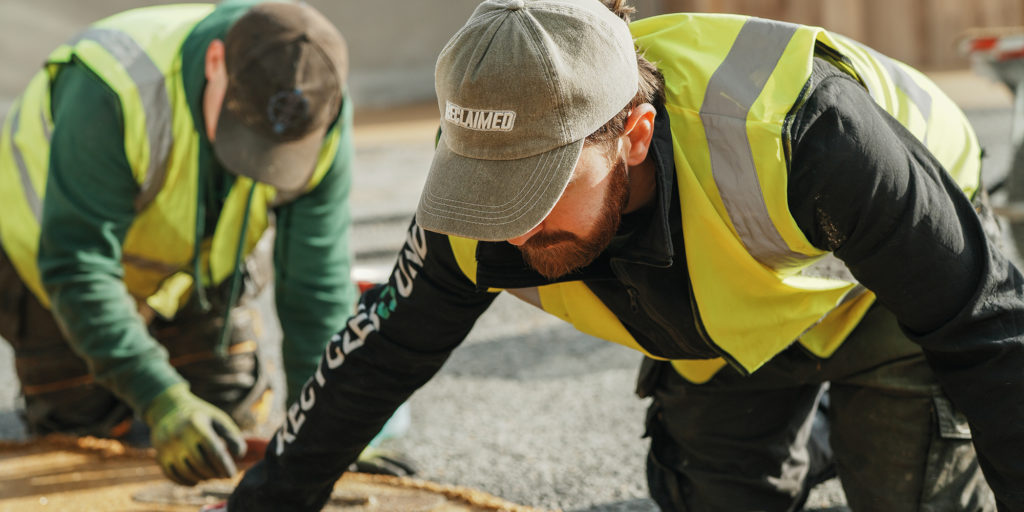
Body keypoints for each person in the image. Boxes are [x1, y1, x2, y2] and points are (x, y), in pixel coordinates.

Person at [225, 0, 1024, 510]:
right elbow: (381, 353)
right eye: (490, 191)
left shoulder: (803, 134)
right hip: (727, 320)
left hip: (879, 291)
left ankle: (850, 415)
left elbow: (989, 338)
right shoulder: (476, 188)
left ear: (633, 136)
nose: (507, 227)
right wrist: (265, 502)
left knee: (908, 493)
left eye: (541, 186)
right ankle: (816, 425)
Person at [0, 0, 411, 487]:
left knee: (228, 433)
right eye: (246, 138)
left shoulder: (318, 110)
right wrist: (162, 398)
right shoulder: (114, 87)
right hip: (50, 266)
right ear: (215, 62)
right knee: (84, 440)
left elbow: (315, 284)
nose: (255, 166)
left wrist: (329, 431)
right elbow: (78, 267)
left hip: (193, 274)